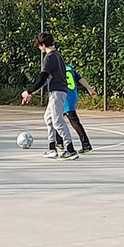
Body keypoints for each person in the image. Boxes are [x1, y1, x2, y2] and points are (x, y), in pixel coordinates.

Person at [21, 32, 79, 160]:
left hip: (57, 92)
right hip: (58, 91)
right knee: (48, 118)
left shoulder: (49, 57)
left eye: (39, 47)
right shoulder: (58, 56)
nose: (40, 49)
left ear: (43, 45)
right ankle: (52, 148)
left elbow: (43, 77)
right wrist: (33, 93)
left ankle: (70, 150)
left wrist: (29, 91)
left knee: (58, 121)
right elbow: (48, 79)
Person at [55, 64, 97, 155]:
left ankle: (85, 144)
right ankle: (59, 143)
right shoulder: (69, 68)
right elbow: (80, 79)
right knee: (57, 119)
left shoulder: (57, 68)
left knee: (71, 120)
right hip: (72, 95)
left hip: (64, 96)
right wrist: (89, 89)